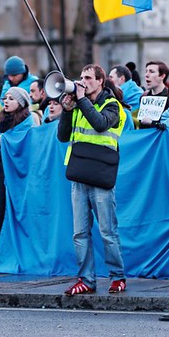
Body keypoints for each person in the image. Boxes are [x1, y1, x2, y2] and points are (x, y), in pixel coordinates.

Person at [57, 64, 127, 296]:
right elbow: (62, 136)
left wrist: (80, 100)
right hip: (79, 175)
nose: (83, 81)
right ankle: (86, 279)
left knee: (107, 231)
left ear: (100, 81)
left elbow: (100, 124)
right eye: (81, 77)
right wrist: (67, 110)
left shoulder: (112, 105)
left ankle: (117, 277)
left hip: (101, 175)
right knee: (79, 233)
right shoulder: (79, 105)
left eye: (88, 78)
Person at [0, 86, 38, 243]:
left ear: (21, 103)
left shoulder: (29, 122)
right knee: (0, 210)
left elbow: (30, 146)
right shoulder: (0, 120)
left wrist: (7, 142)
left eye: (11, 99)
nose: (6, 102)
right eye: (5, 98)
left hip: (20, 174)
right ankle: (1, 246)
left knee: (18, 210)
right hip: (1, 171)